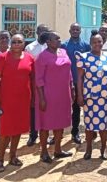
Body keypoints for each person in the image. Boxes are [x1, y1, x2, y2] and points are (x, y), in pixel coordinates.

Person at [0, 34, 35, 172]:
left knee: (18, 128)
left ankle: (13, 156)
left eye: (19, 42)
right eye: (14, 42)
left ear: (24, 44)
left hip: (23, 100)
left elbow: (32, 79)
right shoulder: (2, 58)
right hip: (7, 100)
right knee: (5, 130)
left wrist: (34, 98)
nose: (16, 44)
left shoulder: (29, 58)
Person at [35, 31, 74, 163]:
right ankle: (44, 152)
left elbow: (69, 72)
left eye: (59, 38)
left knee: (60, 122)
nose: (59, 40)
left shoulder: (63, 52)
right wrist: (41, 98)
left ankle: (58, 149)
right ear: (48, 42)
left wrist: (72, 88)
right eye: (56, 39)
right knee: (45, 124)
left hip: (63, 94)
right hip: (48, 95)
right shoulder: (42, 57)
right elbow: (38, 79)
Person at [76, 34, 107, 160]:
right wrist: (79, 95)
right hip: (90, 98)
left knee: (104, 125)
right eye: (94, 42)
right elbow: (80, 78)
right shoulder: (84, 57)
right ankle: (88, 149)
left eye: (100, 41)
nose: (97, 44)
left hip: (104, 97)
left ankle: (103, 149)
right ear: (90, 43)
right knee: (89, 125)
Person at [62, 22, 91, 145]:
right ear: (69, 31)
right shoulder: (63, 46)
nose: (75, 31)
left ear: (80, 31)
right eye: (73, 29)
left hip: (82, 82)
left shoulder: (86, 45)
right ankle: (59, 133)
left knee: (78, 108)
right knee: (64, 108)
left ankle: (76, 132)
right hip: (66, 82)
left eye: (77, 29)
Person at [25, 23, 50, 147]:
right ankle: (33, 135)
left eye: (47, 31)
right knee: (33, 108)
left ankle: (46, 134)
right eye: (42, 31)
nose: (44, 34)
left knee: (47, 107)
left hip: (49, 81)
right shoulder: (30, 48)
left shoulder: (50, 46)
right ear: (37, 33)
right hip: (34, 81)